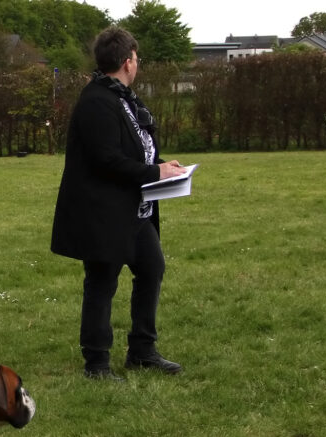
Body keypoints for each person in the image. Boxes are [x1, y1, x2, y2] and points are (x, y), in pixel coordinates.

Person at [51, 26, 188, 381]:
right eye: (137, 58)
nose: (137, 64)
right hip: (104, 213)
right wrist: (153, 172)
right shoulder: (97, 100)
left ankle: (142, 350)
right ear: (127, 61)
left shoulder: (124, 98)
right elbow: (105, 159)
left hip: (135, 211)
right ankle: (96, 361)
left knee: (152, 268)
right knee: (102, 281)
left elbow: (136, 147)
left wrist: (163, 168)